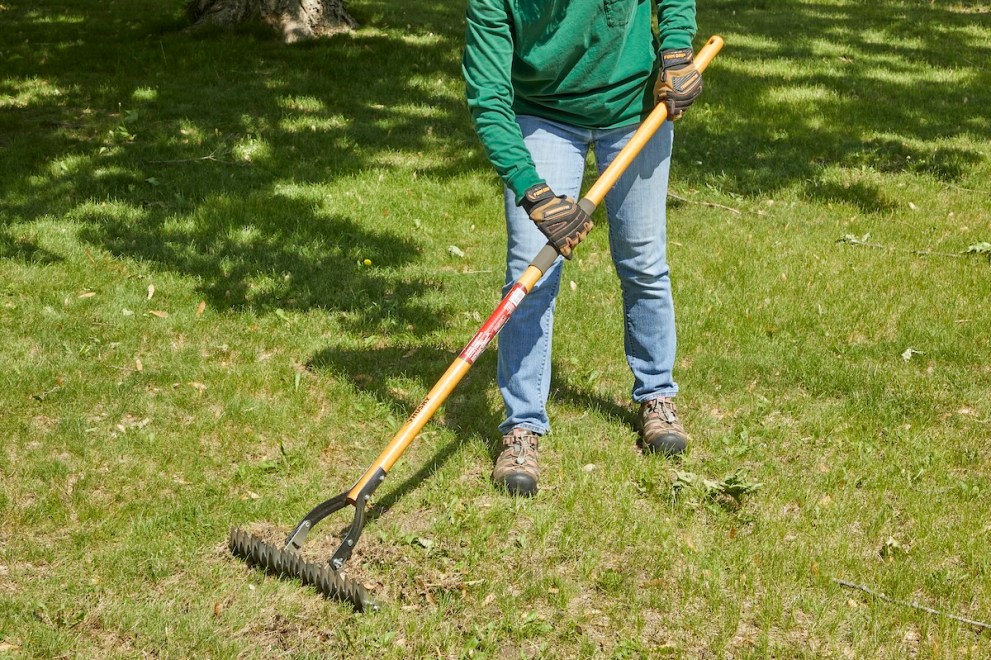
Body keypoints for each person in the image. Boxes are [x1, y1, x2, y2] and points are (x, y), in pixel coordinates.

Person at [462, 0, 704, 496]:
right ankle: (522, 426)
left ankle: (657, 396)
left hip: (633, 111)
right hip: (543, 115)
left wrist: (677, 50)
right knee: (529, 274)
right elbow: (488, 96)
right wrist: (533, 192)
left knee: (642, 260)